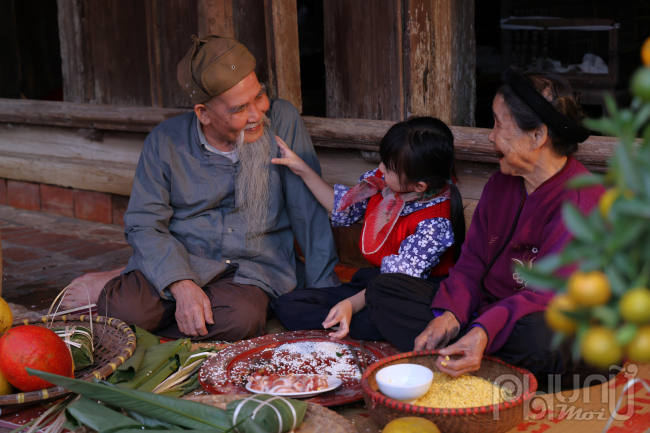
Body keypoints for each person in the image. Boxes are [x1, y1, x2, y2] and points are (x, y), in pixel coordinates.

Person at [65, 35, 340, 341]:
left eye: (259, 96)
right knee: (122, 310)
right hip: (184, 255)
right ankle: (149, 283)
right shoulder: (165, 139)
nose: (257, 115)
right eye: (239, 108)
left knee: (240, 320)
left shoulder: (283, 120)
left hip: (252, 267)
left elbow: (308, 212)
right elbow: (144, 222)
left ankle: (144, 288)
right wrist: (180, 284)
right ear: (203, 113)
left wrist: (325, 295)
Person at [365, 67, 604, 387]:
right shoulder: (501, 182)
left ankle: (471, 350)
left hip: (545, 316)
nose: (490, 136)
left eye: (498, 124)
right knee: (384, 289)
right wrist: (451, 313)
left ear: (538, 136)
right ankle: (477, 356)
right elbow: (472, 262)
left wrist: (484, 330)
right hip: (484, 310)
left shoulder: (580, 202)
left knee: (540, 339)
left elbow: (549, 297)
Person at [272, 117, 465, 342]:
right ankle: (355, 320)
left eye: (389, 167)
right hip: (375, 283)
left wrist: (350, 305)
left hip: (412, 293)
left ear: (419, 186)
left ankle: (354, 320)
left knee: (367, 319)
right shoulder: (385, 184)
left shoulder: (434, 223)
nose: (381, 168)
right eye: (384, 161)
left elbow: (395, 280)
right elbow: (343, 206)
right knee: (287, 305)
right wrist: (302, 169)